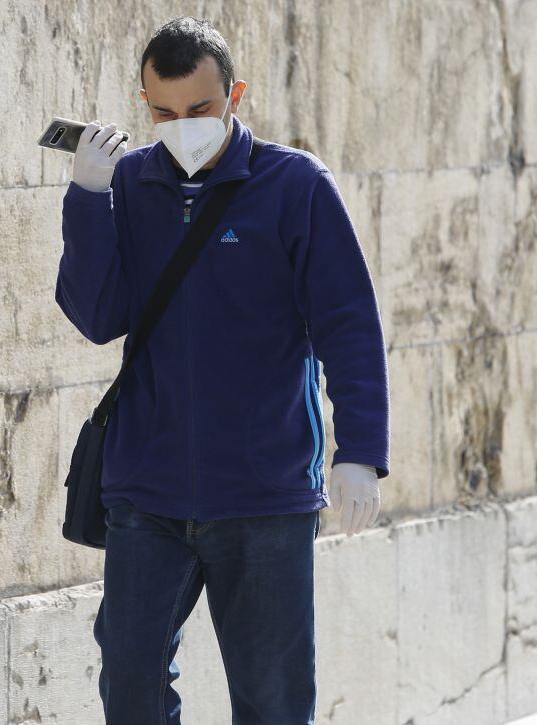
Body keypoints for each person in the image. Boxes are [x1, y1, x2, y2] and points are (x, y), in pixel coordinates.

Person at [56, 16, 390, 725]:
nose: (182, 126)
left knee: (272, 703)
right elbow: (96, 316)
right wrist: (87, 200)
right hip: (147, 491)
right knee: (130, 683)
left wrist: (360, 452)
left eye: (200, 109)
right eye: (163, 112)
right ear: (145, 104)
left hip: (263, 492)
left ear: (235, 93)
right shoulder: (132, 183)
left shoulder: (295, 185)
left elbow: (349, 323)